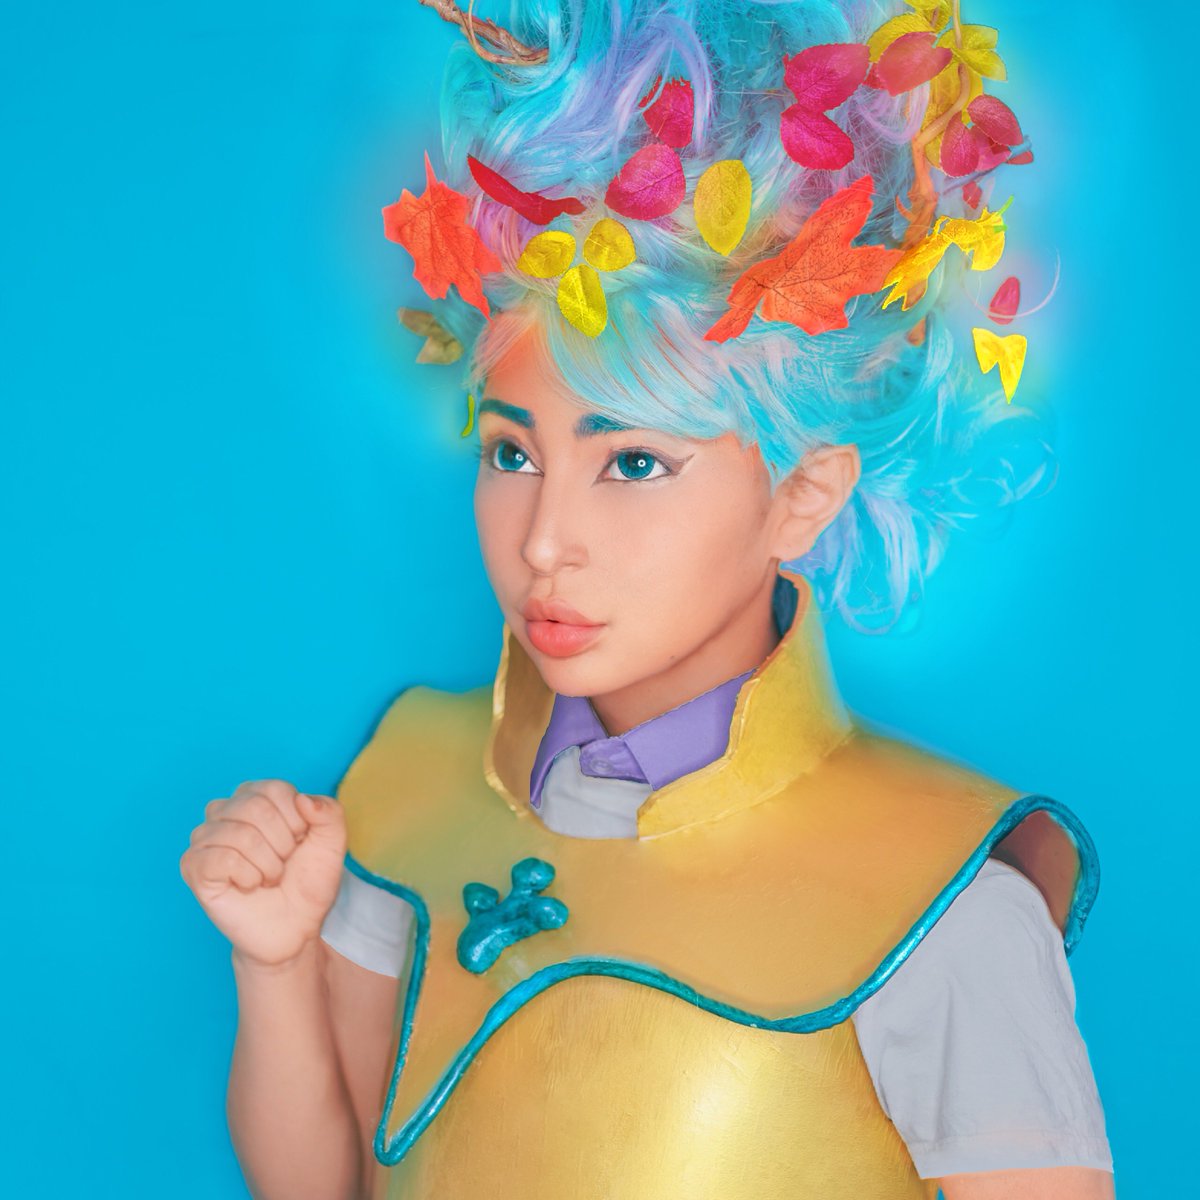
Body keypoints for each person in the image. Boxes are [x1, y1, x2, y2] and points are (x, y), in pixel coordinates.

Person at [180, 2, 1115, 1197]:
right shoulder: (412, 785)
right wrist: (273, 967)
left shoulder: (943, 900)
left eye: (632, 463)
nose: (545, 542)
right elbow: (332, 1190)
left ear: (803, 496)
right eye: (512, 453)